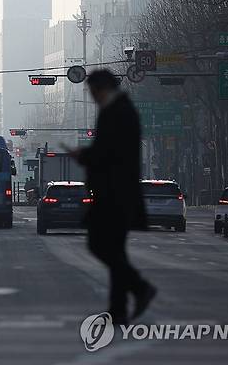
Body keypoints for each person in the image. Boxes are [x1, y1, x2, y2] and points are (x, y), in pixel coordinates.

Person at [65, 69, 156, 325]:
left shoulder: (117, 112)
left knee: (100, 245)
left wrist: (84, 156)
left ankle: (138, 288)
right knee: (115, 251)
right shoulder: (118, 109)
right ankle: (118, 308)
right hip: (114, 192)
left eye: (92, 91)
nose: (91, 97)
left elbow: (109, 153)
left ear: (101, 88)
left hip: (115, 193)